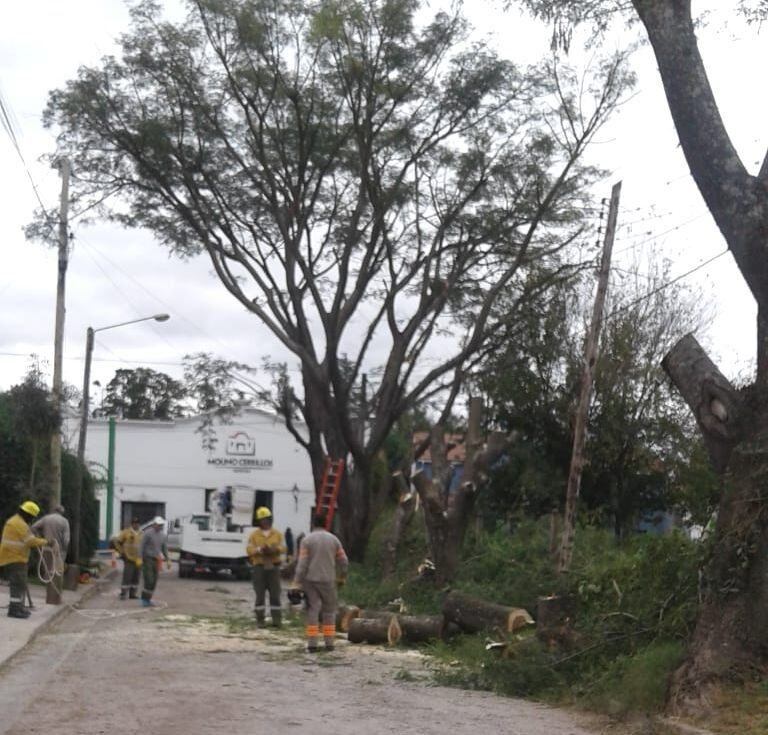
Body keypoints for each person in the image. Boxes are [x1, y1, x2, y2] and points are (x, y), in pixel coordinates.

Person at [292, 513, 348, 652]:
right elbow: (344, 561)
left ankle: (312, 644)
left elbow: (302, 563)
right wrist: (342, 577)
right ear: (326, 524)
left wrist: (296, 582)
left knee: (313, 610)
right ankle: (329, 644)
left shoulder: (307, 540)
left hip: (311, 581)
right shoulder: (334, 540)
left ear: (313, 524)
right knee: (329, 611)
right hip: (329, 580)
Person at [0, 501, 48, 618]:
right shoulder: (20, 524)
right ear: (27, 514)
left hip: (14, 557)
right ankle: (14, 610)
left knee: (20, 584)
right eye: (32, 517)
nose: (32, 519)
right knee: (17, 584)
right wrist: (47, 542)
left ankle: (19, 607)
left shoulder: (16, 521)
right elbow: (30, 541)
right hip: (15, 558)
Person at [246, 507, 286, 627]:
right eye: (262, 519)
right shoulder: (254, 535)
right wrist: (259, 549)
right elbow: (249, 549)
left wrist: (275, 549)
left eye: (266, 519)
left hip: (274, 566)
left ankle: (277, 621)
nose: (264, 521)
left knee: (275, 594)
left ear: (270, 519)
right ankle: (260, 620)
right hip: (259, 567)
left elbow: (284, 548)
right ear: (259, 521)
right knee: (259, 595)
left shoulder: (277, 534)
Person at [138, 516, 170, 607]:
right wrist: (139, 557)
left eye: (161, 525)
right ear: (154, 524)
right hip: (147, 558)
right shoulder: (147, 533)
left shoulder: (163, 535)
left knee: (154, 581)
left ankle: (148, 599)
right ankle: (144, 599)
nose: (160, 526)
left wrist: (167, 559)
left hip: (156, 559)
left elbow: (164, 548)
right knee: (149, 579)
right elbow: (141, 545)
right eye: (158, 524)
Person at [31, 504, 70, 569]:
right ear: (62, 512)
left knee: (47, 569)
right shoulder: (64, 521)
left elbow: (33, 527)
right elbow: (66, 539)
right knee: (57, 571)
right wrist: (65, 549)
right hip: (59, 550)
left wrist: (39, 537)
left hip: (46, 547)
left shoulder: (46, 518)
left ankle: (46, 578)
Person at [113, 517, 142, 600]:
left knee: (136, 577)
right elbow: (116, 542)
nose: (136, 525)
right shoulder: (126, 532)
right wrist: (122, 552)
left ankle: (133, 594)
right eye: (134, 523)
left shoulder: (141, 533)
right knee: (127, 577)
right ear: (132, 524)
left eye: (137, 523)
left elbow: (143, 546)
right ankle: (123, 594)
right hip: (128, 558)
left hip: (138, 559)